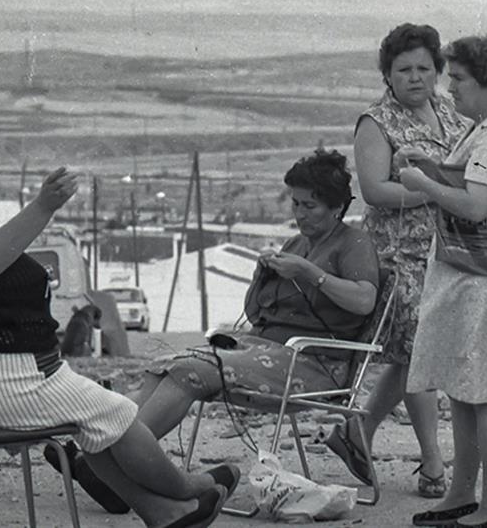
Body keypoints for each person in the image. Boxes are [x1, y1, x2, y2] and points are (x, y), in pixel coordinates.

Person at [0, 136, 231, 528]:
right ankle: (190, 487)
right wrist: (44, 206)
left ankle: (164, 513)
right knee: (117, 412)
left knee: (95, 424)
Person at [131, 149, 380, 442]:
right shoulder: (295, 244)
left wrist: (309, 272)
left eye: (310, 206)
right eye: (296, 203)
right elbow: (255, 314)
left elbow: (364, 301)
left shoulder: (354, 244)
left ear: (336, 207)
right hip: (266, 351)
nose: (300, 214)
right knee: (163, 366)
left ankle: (130, 453)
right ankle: (113, 448)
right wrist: (262, 276)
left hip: (315, 365)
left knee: (191, 371)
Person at [401, 31, 487, 528]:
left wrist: (423, 184)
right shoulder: (484, 125)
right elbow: (471, 182)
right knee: (463, 387)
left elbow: (476, 205)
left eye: (457, 78)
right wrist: (430, 169)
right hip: (471, 274)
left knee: (486, 394)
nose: (449, 87)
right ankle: (462, 495)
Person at [330, 22, 467, 498]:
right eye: (403, 69)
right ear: (387, 75)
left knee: (410, 358)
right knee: (419, 355)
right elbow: (374, 190)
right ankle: (432, 464)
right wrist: (436, 192)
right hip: (397, 256)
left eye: (424, 69)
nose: (415, 78)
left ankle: (357, 432)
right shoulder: (376, 121)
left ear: (438, 72)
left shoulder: (450, 114)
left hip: (446, 252)